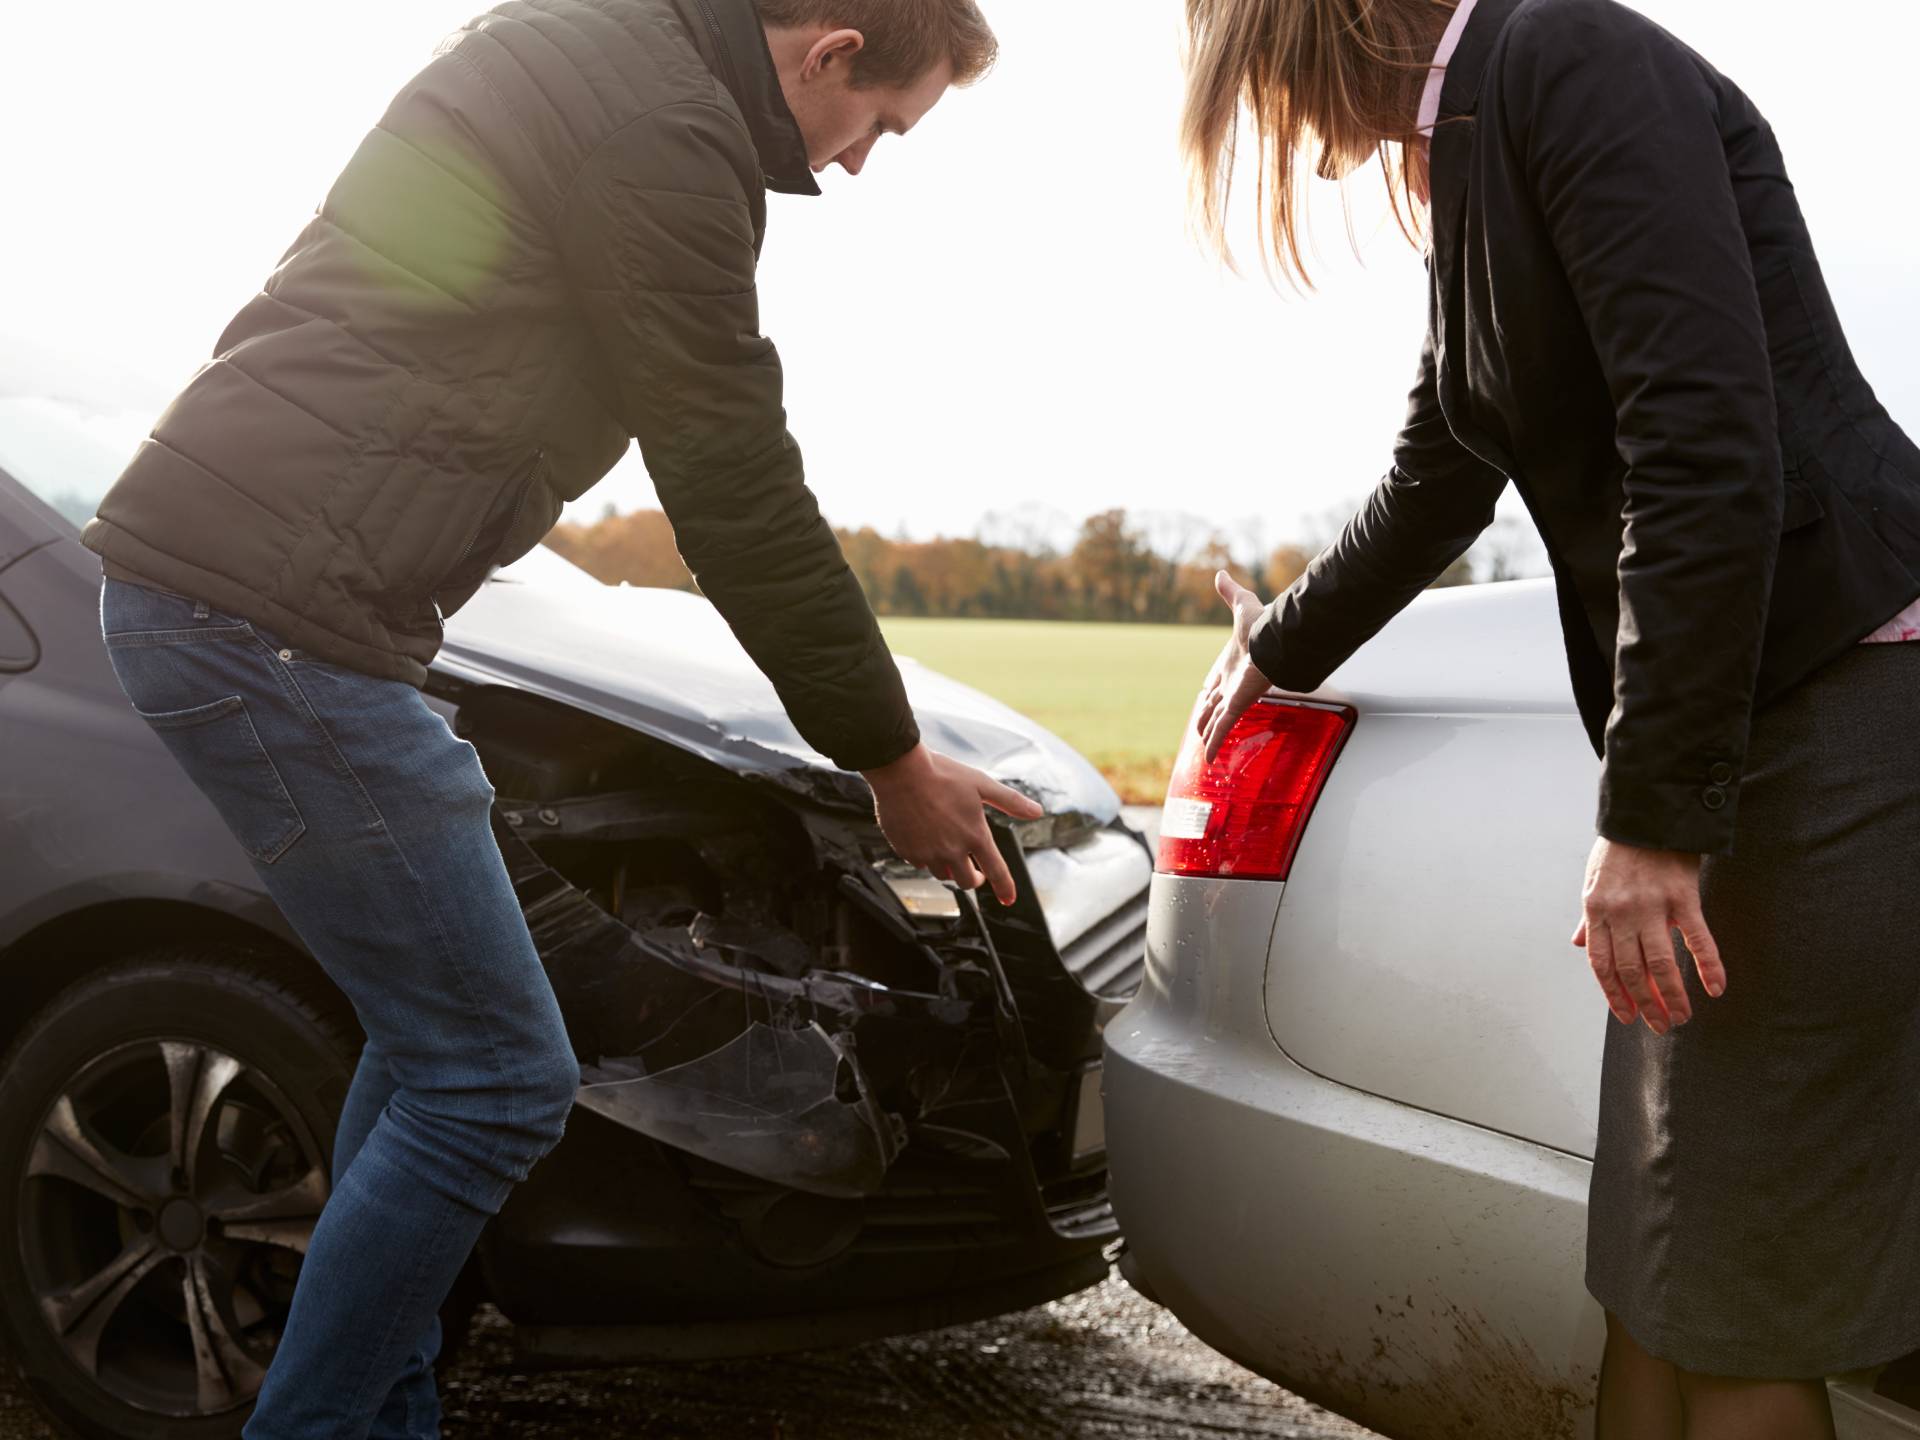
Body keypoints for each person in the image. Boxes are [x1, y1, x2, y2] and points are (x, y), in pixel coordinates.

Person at [80, 0, 1036, 1434]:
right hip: (270, 622)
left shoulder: (598, 52)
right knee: (497, 1079)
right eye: (882, 128)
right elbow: (730, 474)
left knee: (435, 1046)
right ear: (832, 50)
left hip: (279, 603)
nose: (856, 164)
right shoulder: (667, 131)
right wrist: (888, 755)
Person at [1181, 0, 1920, 1436]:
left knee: (1730, 1301)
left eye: (1258, 80)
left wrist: (1653, 818)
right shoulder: (1480, 131)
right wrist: (1282, 641)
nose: (1278, 123)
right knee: (1656, 1264)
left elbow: (1703, 445)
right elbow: (1447, 461)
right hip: (1747, 716)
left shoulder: (1568, 61)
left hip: (1828, 706)